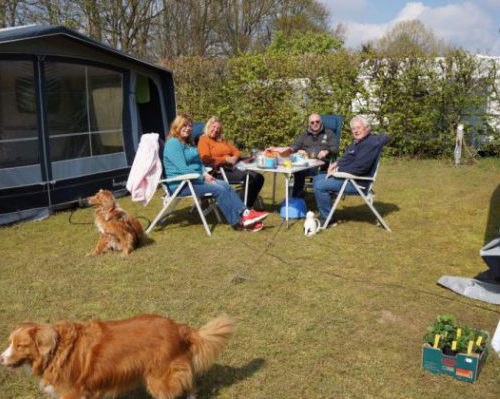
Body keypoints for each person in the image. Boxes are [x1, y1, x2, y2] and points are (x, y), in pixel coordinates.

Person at [163, 113, 269, 231]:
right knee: (219, 189)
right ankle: (237, 222)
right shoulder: (173, 143)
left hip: (193, 179)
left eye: (189, 126)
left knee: (224, 185)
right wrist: (203, 177)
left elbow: (199, 163)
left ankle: (246, 213)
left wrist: (204, 173)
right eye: (184, 125)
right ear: (177, 126)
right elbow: (182, 169)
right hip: (181, 184)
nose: (188, 128)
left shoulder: (187, 144)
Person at [312, 115, 389, 223]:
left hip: (356, 182)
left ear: (367, 128)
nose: (356, 131)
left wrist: (337, 171)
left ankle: (326, 218)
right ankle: (326, 211)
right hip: (348, 178)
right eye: (353, 129)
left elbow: (359, 168)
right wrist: (336, 163)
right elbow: (347, 158)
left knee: (320, 185)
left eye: (358, 128)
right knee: (317, 178)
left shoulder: (369, 144)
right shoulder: (358, 142)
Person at [197, 116, 264, 207]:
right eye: (213, 127)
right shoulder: (204, 140)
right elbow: (205, 158)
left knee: (258, 177)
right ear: (208, 127)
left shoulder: (222, 141)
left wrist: (234, 158)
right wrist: (226, 159)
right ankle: (242, 205)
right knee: (253, 178)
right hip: (219, 171)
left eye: (218, 128)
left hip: (232, 167)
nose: (215, 130)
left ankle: (242, 202)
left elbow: (236, 151)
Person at [290, 113, 338, 198]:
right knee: (298, 171)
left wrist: (327, 151)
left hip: (323, 166)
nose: (315, 124)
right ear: (309, 124)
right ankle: (296, 200)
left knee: (307, 173)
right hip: (306, 165)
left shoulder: (329, 133)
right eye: (312, 122)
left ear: (321, 122)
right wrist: (294, 151)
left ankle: (318, 198)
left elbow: (335, 149)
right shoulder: (304, 136)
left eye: (317, 121)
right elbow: (294, 147)